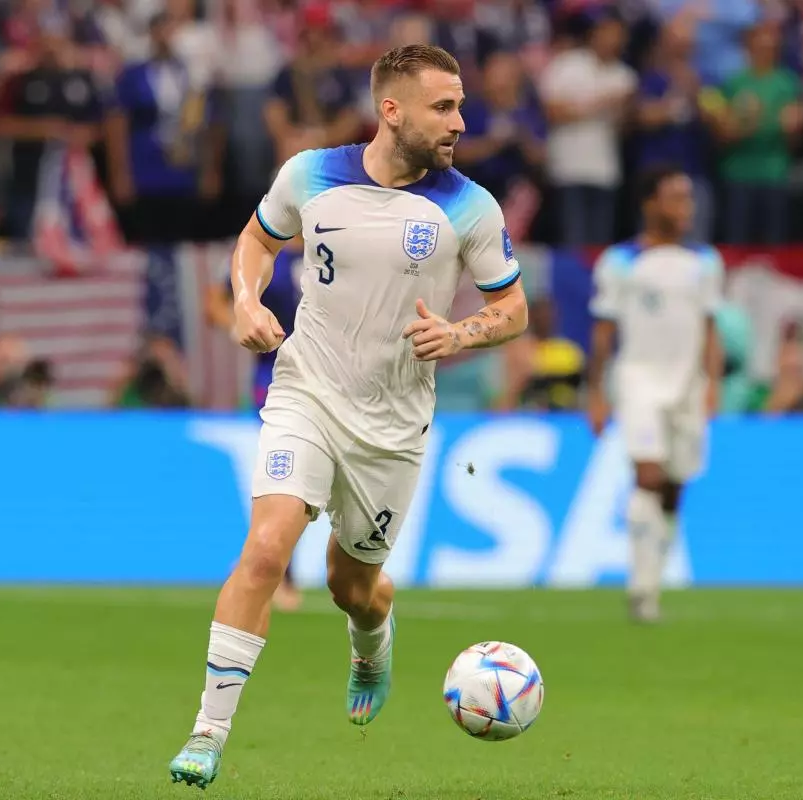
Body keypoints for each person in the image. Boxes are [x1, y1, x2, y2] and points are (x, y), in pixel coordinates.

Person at [168, 44, 528, 789]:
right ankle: (207, 732)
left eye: (459, 105)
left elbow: (512, 308)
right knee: (266, 549)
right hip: (306, 393)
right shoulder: (310, 175)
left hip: (392, 426)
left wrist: (458, 333)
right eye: (444, 106)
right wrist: (244, 300)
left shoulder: (470, 206)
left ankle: (371, 641)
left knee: (350, 585)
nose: (459, 120)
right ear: (390, 111)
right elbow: (256, 242)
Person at [585, 165, 723, 624]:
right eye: (675, 198)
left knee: (674, 486)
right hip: (638, 379)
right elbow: (604, 332)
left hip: (688, 386)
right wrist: (597, 394)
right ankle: (641, 590)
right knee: (647, 475)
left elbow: (710, 328)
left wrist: (712, 385)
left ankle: (653, 583)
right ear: (650, 203)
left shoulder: (705, 262)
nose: (686, 208)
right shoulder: (620, 261)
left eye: (688, 198)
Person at [204, 236, 306, 612]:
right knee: (283, 468)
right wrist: (241, 325)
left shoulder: (335, 238)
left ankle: (270, 560)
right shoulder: (257, 250)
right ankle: (280, 570)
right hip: (275, 378)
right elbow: (214, 301)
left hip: (333, 378)